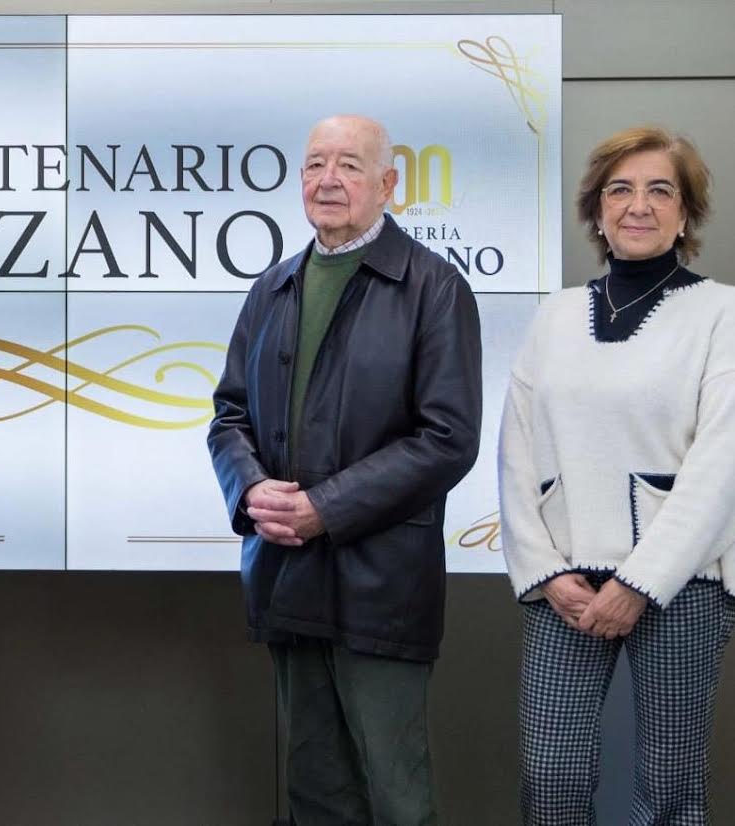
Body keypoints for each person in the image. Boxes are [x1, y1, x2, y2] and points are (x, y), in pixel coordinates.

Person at [208, 114, 482, 824]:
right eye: (315, 164)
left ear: (389, 184)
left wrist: (325, 506)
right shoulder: (272, 287)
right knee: (314, 793)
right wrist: (252, 488)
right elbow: (228, 415)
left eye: (350, 165)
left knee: (395, 794)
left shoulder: (434, 287)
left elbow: (448, 437)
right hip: (285, 575)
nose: (328, 179)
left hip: (382, 585)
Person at [500, 126, 735, 824]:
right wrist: (543, 573)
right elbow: (516, 452)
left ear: (685, 213)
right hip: (565, 589)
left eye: (660, 189)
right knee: (551, 779)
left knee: (667, 791)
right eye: (620, 189)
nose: (638, 205)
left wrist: (640, 584)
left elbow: (721, 463)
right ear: (597, 211)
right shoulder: (555, 315)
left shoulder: (723, 312)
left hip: (680, 587)